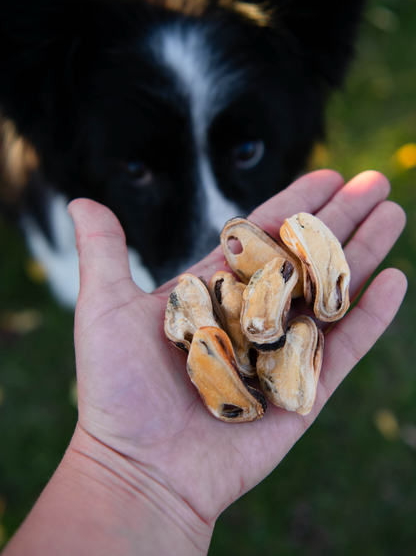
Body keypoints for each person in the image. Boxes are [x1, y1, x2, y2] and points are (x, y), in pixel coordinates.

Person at [3, 169, 407, 556]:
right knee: (265, 337)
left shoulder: (274, 298)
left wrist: (121, 469)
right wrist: (122, 464)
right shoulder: (246, 305)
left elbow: (269, 303)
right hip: (250, 340)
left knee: (275, 338)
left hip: (261, 337)